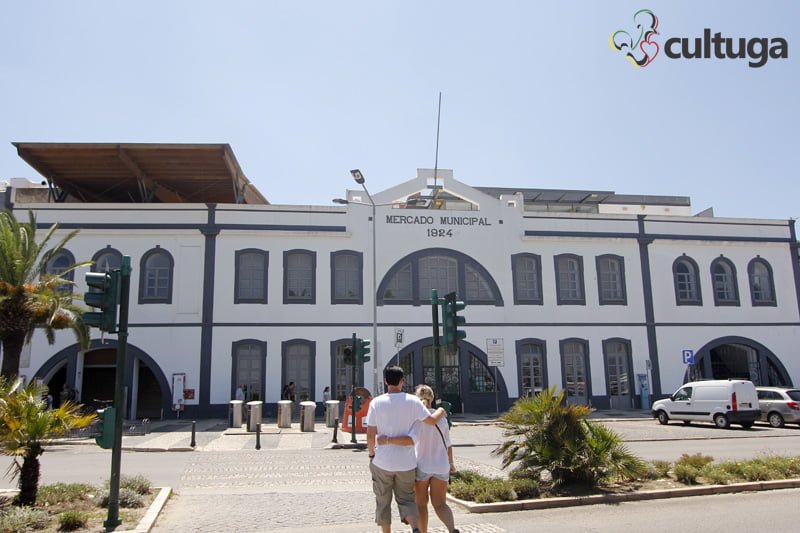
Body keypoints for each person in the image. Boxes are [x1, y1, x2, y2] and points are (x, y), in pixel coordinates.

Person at [366, 366, 447, 533]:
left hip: (383, 462)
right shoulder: (413, 401)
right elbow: (430, 421)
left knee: (383, 501)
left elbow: (370, 434)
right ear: (402, 381)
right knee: (407, 501)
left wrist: (371, 454)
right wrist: (441, 411)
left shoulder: (376, 402)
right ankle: (416, 528)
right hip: (406, 464)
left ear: (386, 381)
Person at [407, 385, 458, 533]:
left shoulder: (415, 419)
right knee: (441, 504)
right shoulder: (441, 418)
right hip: (441, 466)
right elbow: (448, 444)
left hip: (421, 466)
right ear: (432, 398)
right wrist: (451, 464)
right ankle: (452, 529)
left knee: (421, 505)